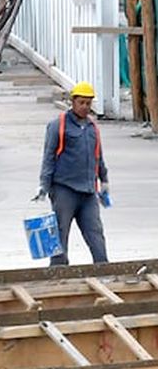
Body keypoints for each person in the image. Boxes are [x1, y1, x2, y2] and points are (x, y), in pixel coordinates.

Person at [35, 81, 109, 266]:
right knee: (60, 235)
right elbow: (49, 157)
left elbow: (98, 156)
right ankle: (59, 275)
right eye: (81, 102)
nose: (85, 107)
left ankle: (104, 271)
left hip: (88, 192)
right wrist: (44, 186)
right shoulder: (58, 126)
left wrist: (104, 180)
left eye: (88, 103)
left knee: (96, 234)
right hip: (64, 190)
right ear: (73, 102)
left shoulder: (92, 128)